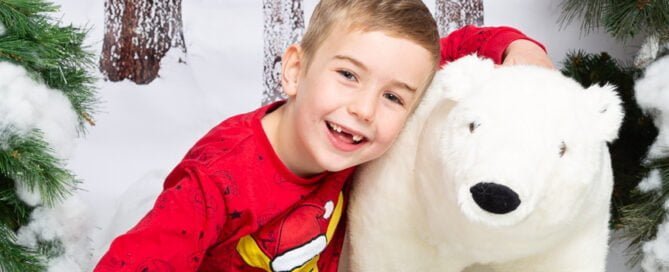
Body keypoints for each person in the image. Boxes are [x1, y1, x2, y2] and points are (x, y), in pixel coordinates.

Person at [94, 0, 552, 271]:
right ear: (295, 70)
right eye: (349, 75)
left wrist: (517, 47)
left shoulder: (348, 136)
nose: (364, 109)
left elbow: (448, 52)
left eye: (394, 98)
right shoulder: (219, 180)